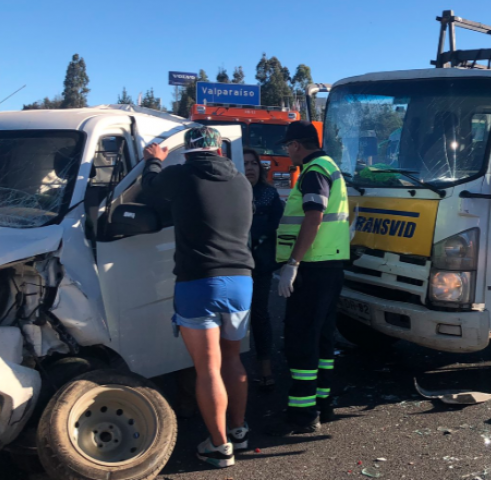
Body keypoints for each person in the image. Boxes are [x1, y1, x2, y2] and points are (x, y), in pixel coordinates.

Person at [141, 127, 254, 468]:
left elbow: (149, 191)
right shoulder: (241, 182)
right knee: (233, 359)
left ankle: (219, 448)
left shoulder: (181, 175)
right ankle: (239, 431)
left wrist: (153, 162)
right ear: (218, 150)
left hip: (199, 282)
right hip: (241, 280)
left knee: (207, 369)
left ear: (188, 152)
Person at [274, 121, 350, 433]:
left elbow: (313, 217)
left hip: (312, 267)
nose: (287, 153)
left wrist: (293, 262)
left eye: (287, 147)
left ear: (295, 145)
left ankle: (302, 415)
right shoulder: (330, 165)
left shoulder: (314, 170)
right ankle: (324, 403)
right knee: (321, 339)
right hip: (328, 267)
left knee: (301, 340)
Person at [243, 148, 284, 389]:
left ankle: (264, 367)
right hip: (234, 266)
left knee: (259, 315)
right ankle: (233, 369)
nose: (249, 168)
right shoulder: (231, 193)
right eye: (245, 163)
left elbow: (276, 225)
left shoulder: (269, 194)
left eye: (254, 164)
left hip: (260, 265)